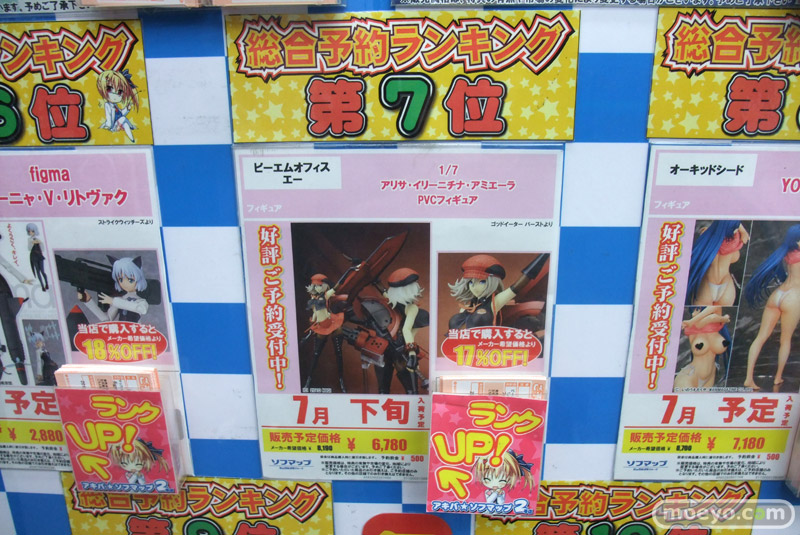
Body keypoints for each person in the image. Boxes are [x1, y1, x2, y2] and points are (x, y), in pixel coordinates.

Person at [743, 224, 800, 389]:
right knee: (785, 339)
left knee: (760, 337)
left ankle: (748, 378)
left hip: (778, 294)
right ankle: (778, 378)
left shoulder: (786, 253)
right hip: (793, 297)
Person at [448, 254, 547, 330]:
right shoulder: (465, 308)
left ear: (493, 283)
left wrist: (544, 255)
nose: (474, 287)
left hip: (487, 347)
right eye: (471, 283)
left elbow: (517, 287)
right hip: (464, 349)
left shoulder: (494, 302)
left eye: (482, 282)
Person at [383, 267, 428, 394]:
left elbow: (407, 330)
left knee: (407, 386)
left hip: (397, 346)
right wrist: (412, 353)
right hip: (397, 346)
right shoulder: (407, 306)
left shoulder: (404, 305)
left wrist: (411, 353)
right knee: (410, 389)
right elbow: (406, 330)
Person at [687, 220, 749, 306]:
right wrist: (742, 231)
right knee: (720, 314)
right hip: (726, 284)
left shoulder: (708, 238)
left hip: (707, 284)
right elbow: (743, 240)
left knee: (699, 313)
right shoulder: (734, 243)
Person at [303, 274, 346, 392]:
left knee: (339, 353)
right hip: (322, 326)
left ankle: (341, 382)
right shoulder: (312, 301)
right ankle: (308, 382)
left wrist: (348, 271)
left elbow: (336, 287)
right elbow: (314, 315)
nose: (317, 288)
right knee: (316, 354)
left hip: (332, 322)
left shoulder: (326, 295)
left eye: (319, 285)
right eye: (315, 286)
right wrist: (312, 323)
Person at [0, 232, 32, 384]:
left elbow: (7, 266)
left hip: (3, 295)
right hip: (4, 297)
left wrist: (22, 279)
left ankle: (18, 362)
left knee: (8, 323)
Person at [674, 307, 730, 391]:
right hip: (689, 377)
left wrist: (694, 319)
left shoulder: (716, 327)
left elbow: (714, 310)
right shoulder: (693, 328)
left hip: (710, 376)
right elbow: (711, 317)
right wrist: (724, 318)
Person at [80, 256, 148, 323]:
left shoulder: (141, 301)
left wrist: (113, 301)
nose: (125, 283)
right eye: (120, 280)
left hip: (135, 330)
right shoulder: (119, 299)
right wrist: (88, 301)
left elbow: (142, 309)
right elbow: (107, 319)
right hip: (120, 329)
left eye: (130, 280)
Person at [97, 69, 138, 142]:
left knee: (124, 122)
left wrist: (127, 109)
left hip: (118, 123)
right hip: (113, 126)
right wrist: (108, 127)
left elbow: (120, 114)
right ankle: (132, 129)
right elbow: (108, 117)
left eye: (119, 92)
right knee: (123, 119)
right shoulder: (107, 105)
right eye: (109, 89)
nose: (115, 95)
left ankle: (132, 139)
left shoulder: (115, 105)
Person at [26, 223, 48, 291]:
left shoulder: (39, 238)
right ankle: (42, 286)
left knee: (42, 271)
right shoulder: (29, 239)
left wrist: (40, 242)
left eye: (32, 231)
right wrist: (32, 243)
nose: (31, 232)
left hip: (39, 256)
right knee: (38, 271)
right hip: (33, 256)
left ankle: (46, 283)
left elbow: (43, 249)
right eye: (29, 231)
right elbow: (29, 248)